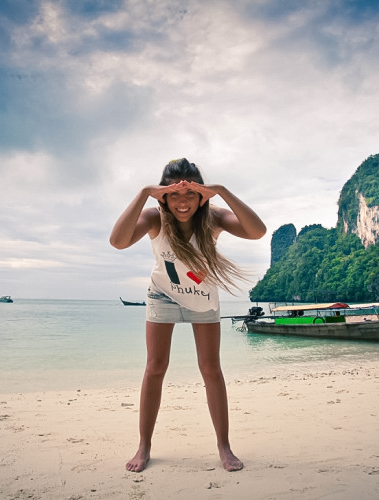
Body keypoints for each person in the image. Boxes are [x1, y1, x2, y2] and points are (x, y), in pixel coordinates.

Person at [109, 158, 266, 473]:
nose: (183, 203)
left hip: (202, 297)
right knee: (155, 367)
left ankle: (224, 446)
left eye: (190, 194)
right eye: (174, 195)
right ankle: (144, 445)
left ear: (201, 195)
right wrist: (143, 193)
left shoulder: (214, 218)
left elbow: (257, 232)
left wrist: (220, 191)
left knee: (211, 369)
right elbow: (118, 241)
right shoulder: (155, 218)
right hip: (162, 295)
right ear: (163, 196)